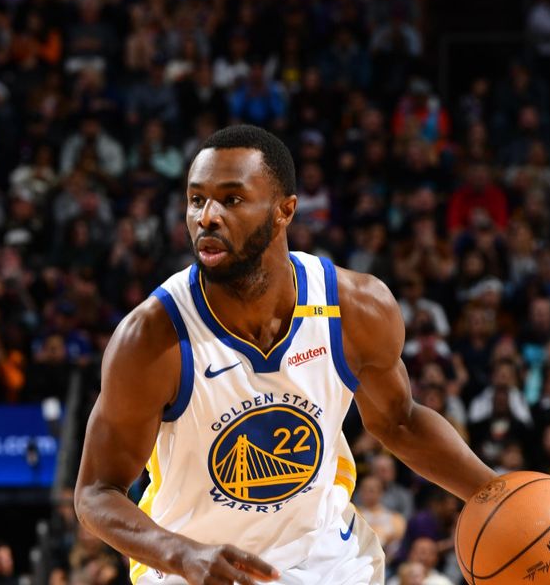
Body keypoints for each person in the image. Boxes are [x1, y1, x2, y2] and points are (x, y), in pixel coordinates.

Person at [74, 125, 496, 585]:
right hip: (192, 563)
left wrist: (495, 493)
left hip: (323, 558)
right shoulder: (151, 337)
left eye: (231, 199)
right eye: (197, 200)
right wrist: (181, 554)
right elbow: (97, 493)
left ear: (284, 211)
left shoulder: (355, 308)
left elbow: (400, 422)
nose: (207, 217)